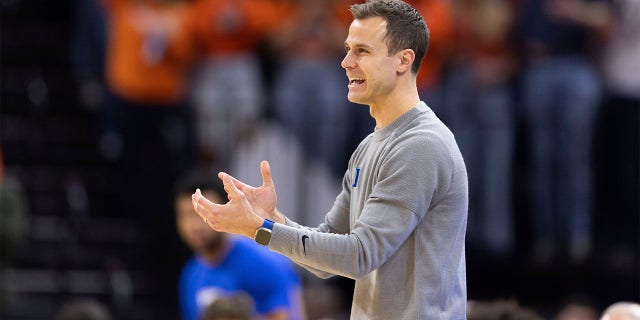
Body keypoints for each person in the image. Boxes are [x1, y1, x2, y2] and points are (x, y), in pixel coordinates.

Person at [191, 1, 469, 319]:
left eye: (362, 51)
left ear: (403, 61)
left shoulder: (420, 145)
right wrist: (273, 218)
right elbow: (329, 253)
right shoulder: (369, 146)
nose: (346, 62)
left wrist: (260, 229)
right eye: (348, 49)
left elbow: (360, 256)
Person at [173, 169, 304, 320]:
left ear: (226, 212)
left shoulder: (265, 263)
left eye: (203, 214)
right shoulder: (191, 274)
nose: (194, 226)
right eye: (185, 216)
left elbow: (287, 314)